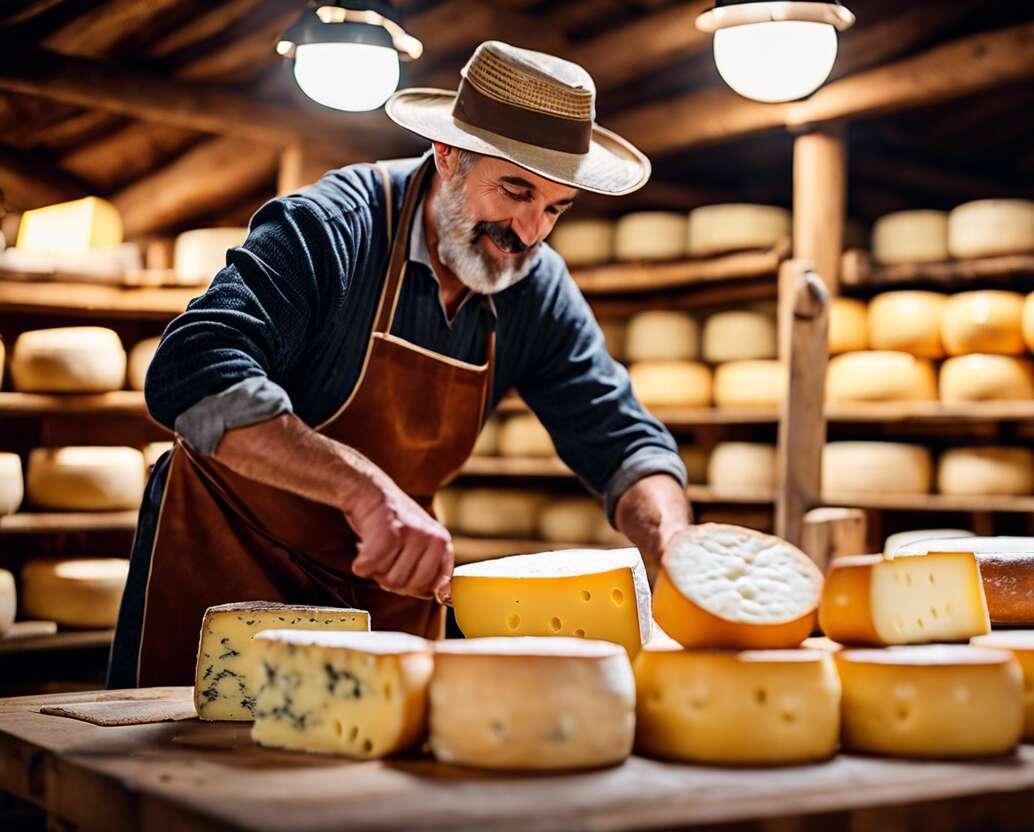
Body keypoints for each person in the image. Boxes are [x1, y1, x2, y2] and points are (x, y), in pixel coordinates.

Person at [107, 41, 692, 688]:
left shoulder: (535, 287)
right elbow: (191, 370)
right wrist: (365, 490)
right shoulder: (332, 230)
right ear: (448, 156)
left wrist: (671, 542)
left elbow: (623, 439)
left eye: (555, 207)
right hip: (228, 574)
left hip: (385, 587)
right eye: (515, 191)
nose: (530, 234)